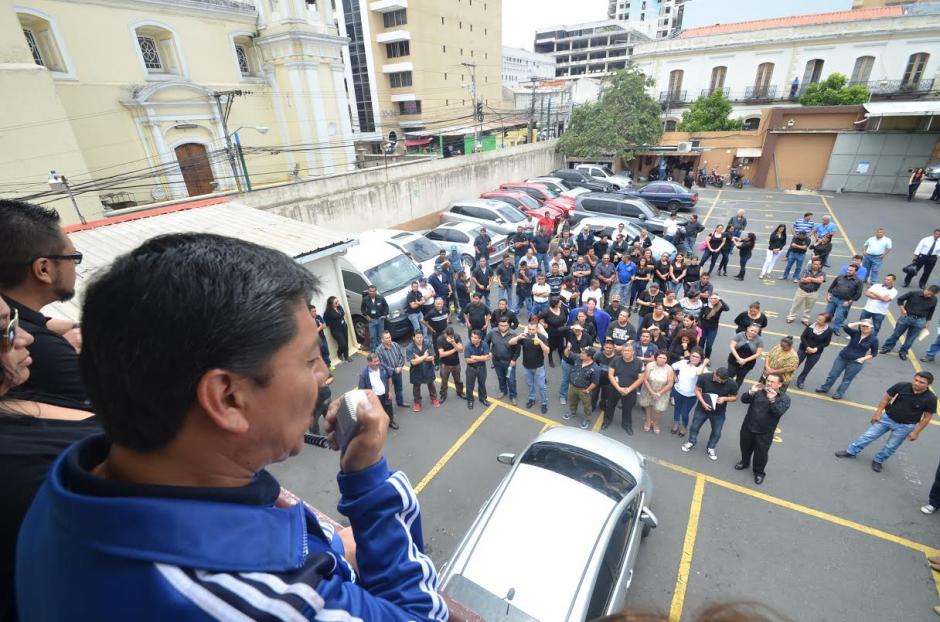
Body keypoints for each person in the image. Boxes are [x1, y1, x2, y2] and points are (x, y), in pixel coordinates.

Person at [15, 233, 448, 621]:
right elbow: (420, 615)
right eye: (309, 359)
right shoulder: (264, 600)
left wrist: (332, 549)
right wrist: (369, 483)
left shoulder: (70, 488)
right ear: (226, 398)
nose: (322, 376)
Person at [0, 295, 98, 621]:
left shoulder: (14, 396)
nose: (26, 337)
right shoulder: (24, 474)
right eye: (6, 330)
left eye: (17, 320)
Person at [0, 200, 88, 410]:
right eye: (73, 258)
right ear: (44, 269)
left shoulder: (21, 319)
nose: (23, 337)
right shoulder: (43, 349)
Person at [835, 372, 936, 472]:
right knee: (868, 436)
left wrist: (916, 432)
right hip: (887, 418)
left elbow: (927, 417)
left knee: (891, 445)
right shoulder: (902, 386)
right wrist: (878, 413)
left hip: (905, 426)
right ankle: (851, 452)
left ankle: (878, 460)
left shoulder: (931, 398)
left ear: (928, 385)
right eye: (915, 380)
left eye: (921, 382)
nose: (917, 383)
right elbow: (886, 398)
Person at [735, 373, 791, 485]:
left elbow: (778, 413)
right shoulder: (759, 391)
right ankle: (745, 462)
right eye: (768, 380)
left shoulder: (784, 398)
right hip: (748, 426)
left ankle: (759, 472)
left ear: (779, 384)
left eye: (772, 382)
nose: (768, 383)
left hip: (765, 432)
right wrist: (751, 392)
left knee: (761, 454)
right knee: (745, 447)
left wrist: (772, 400)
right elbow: (744, 400)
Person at [682, 367, 739, 460]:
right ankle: (691, 442)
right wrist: (703, 403)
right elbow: (697, 390)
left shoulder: (732, 383)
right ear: (715, 374)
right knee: (694, 427)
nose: (720, 382)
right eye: (719, 380)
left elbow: (735, 397)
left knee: (717, 432)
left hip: (719, 412)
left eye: (723, 381)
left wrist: (725, 398)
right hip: (702, 408)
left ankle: (711, 447)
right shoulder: (704, 377)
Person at [816, 319, 879, 400]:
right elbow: (846, 327)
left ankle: (839, 393)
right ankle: (825, 388)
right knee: (832, 375)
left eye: (867, 326)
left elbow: (874, 353)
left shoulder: (873, 339)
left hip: (855, 363)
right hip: (842, 357)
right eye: (863, 326)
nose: (864, 327)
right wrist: (859, 322)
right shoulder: (855, 333)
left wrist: (863, 358)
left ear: (871, 327)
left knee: (847, 380)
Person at [880, 285, 939, 360]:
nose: (929, 295)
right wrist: (902, 309)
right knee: (896, 334)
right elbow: (900, 299)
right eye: (929, 293)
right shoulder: (913, 293)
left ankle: (903, 352)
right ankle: (887, 347)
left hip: (920, 320)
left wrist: (927, 322)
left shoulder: (934, 299)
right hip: (906, 317)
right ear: (926, 289)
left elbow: (931, 311)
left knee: (911, 338)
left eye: (932, 295)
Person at [606, 341, 645, 435]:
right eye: (624, 350)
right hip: (615, 388)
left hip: (630, 391)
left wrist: (629, 389)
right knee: (610, 406)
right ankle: (607, 421)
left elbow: (641, 378)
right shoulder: (615, 360)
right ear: (621, 352)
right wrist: (618, 388)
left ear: (633, 352)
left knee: (627, 408)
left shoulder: (639, 362)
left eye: (629, 350)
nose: (626, 352)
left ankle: (626, 425)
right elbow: (610, 375)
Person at [512, 319, 550, 414]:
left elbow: (547, 351)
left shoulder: (542, 337)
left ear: (537, 329)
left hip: (538, 367)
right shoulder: (524, 337)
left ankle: (544, 403)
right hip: (527, 366)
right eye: (529, 329)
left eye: (533, 329)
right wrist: (518, 337)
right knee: (530, 384)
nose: (531, 331)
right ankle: (531, 399)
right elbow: (511, 343)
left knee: (542, 386)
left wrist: (540, 342)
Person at [672, 348, 708, 437]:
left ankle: (684, 426)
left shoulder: (703, 368)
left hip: (691, 395)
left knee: (684, 413)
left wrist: (704, 363)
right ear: (690, 355)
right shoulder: (683, 362)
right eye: (693, 356)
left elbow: (699, 373)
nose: (694, 358)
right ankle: (676, 423)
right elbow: (671, 367)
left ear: (701, 359)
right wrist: (674, 377)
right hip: (678, 391)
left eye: (697, 357)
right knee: (677, 408)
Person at [358, 353, 398, 429]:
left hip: (386, 394)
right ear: (369, 363)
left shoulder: (382, 366)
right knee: (377, 412)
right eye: (375, 361)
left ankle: (391, 422)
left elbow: (389, 377)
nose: (377, 363)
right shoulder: (364, 374)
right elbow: (362, 390)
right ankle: (380, 425)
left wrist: (390, 391)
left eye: (378, 360)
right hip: (375, 397)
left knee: (389, 409)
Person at [638, 351, 674, 434]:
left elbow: (670, 384)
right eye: (660, 357)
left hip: (662, 391)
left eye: (664, 358)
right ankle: (647, 421)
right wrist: (651, 392)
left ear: (667, 360)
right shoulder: (650, 365)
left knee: (658, 409)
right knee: (648, 406)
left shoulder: (669, 369)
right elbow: (645, 379)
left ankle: (655, 423)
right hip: (648, 389)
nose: (661, 359)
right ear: (656, 357)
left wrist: (658, 393)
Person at [565, 346, 600, 430]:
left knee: (587, 406)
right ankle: (572, 412)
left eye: (583, 353)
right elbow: (567, 354)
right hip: (572, 386)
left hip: (584, 390)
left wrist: (588, 390)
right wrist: (568, 348)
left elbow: (595, 382)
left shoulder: (595, 368)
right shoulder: (578, 358)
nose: (581, 354)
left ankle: (587, 419)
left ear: (589, 356)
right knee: (572, 400)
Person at [795, 313, 833, 390]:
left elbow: (826, 343)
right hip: (803, 348)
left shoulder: (829, 330)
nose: (817, 320)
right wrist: (807, 347)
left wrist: (816, 349)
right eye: (817, 318)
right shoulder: (810, 326)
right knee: (795, 363)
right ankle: (787, 377)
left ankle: (800, 381)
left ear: (826, 322)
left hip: (816, 353)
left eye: (820, 320)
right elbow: (803, 337)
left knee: (807, 368)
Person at [487, 317, 519, 404]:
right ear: (498, 325)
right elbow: (486, 342)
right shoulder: (492, 332)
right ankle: (503, 391)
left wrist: (514, 360)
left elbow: (518, 349)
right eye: (501, 325)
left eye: (505, 325)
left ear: (509, 325)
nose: (503, 327)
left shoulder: (514, 335)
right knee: (500, 377)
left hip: (509, 363)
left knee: (511, 380)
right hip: (496, 361)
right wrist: (488, 351)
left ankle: (513, 395)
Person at [826, 264, 863, 335]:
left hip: (844, 301)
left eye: (851, 270)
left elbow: (858, 294)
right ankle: (824, 326)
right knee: (828, 313)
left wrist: (849, 302)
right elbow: (832, 287)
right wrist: (828, 295)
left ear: (855, 272)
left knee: (840, 316)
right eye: (848, 269)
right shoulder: (840, 277)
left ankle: (836, 329)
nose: (848, 271)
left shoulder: (858, 281)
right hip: (833, 298)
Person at [559, 324, 593, 404]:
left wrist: (584, 352)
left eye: (578, 329)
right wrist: (571, 327)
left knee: (579, 380)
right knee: (566, 379)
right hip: (567, 361)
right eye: (575, 329)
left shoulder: (587, 337)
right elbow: (558, 330)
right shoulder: (569, 333)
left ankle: (576, 396)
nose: (576, 331)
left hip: (580, 363)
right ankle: (563, 396)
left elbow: (591, 349)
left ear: (582, 329)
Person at [786, 258, 826, 325]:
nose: (816, 265)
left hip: (813, 292)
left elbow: (820, 281)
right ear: (812, 264)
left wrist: (810, 278)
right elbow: (802, 280)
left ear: (820, 265)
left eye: (818, 264)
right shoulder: (806, 270)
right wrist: (815, 280)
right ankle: (791, 317)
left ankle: (805, 319)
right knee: (796, 305)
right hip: (802, 291)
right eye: (815, 264)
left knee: (809, 307)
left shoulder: (822, 273)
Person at [407, 331, 439, 411]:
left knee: (431, 384)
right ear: (413, 338)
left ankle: (434, 398)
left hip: (428, 369)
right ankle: (417, 403)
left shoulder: (427, 343)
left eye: (421, 337)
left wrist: (419, 358)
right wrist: (425, 356)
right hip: (416, 371)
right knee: (416, 387)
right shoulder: (409, 348)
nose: (419, 339)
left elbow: (432, 357)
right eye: (417, 337)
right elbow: (413, 362)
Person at [377, 330, 409, 409]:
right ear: (382, 340)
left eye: (390, 337)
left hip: (398, 372)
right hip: (387, 376)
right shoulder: (379, 351)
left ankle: (400, 402)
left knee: (399, 388)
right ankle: (389, 409)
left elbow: (401, 357)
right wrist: (394, 370)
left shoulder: (395, 345)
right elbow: (382, 365)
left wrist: (400, 367)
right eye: (387, 338)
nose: (389, 339)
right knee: (388, 391)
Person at [436, 327, 465, 404]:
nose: (449, 337)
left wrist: (453, 342)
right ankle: (443, 395)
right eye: (447, 336)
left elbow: (461, 350)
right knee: (444, 381)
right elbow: (442, 354)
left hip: (456, 363)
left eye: (451, 336)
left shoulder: (457, 337)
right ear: (445, 333)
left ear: (453, 334)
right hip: (444, 364)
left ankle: (460, 392)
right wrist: (455, 349)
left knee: (458, 380)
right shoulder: (440, 339)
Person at [464, 330, 491, 409]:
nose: (472, 339)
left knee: (482, 384)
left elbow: (487, 358)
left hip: (482, 368)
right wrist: (482, 358)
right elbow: (467, 360)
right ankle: (470, 400)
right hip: (471, 369)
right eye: (472, 337)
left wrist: (475, 357)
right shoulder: (468, 346)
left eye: (475, 338)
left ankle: (482, 398)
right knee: (469, 385)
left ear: (480, 339)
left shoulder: (484, 344)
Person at [540, 296, 568, 367]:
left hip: (561, 332)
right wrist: (543, 324)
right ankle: (550, 359)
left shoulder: (563, 309)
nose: (561, 303)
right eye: (559, 302)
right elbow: (537, 318)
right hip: (551, 334)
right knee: (551, 347)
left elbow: (566, 317)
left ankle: (561, 358)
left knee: (561, 347)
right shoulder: (547, 312)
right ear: (555, 304)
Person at [423, 297, 450, 367]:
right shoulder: (431, 313)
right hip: (436, 333)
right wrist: (431, 329)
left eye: (441, 304)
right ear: (434, 304)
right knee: (436, 348)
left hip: (444, 332)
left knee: (445, 346)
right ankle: (437, 363)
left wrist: (447, 320)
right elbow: (423, 321)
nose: (439, 305)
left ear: (443, 304)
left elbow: (449, 313)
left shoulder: (445, 310)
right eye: (438, 304)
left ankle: (444, 361)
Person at [323, 295, 352, 362]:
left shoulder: (339, 307)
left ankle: (346, 356)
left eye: (337, 301)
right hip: (336, 330)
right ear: (331, 304)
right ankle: (339, 353)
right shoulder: (328, 312)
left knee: (346, 342)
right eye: (336, 303)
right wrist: (331, 324)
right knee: (342, 343)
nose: (338, 303)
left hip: (344, 327)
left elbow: (343, 313)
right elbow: (325, 320)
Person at [361, 284, 389, 350]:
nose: (372, 293)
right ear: (368, 291)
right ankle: (374, 350)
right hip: (371, 320)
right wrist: (367, 316)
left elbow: (386, 307)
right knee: (373, 336)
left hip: (380, 320)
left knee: (380, 336)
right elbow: (362, 309)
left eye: (373, 291)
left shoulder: (381, 298)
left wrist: (384, 315)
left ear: (375, 291)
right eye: (370, 291)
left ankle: (381, 349)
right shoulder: (365, 299)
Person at [310, 304, 332, 370]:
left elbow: (325, 325)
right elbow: (312, 332)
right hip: (314, 340)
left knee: (325, 351)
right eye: (313, 311)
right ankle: (322, 368)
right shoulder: (308, 321)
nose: (315, 312)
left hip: (322, 337)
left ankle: (328, 365)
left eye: (315, 311)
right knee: (318, 354)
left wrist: (319, 327)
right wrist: (320, 327)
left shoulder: (318, 317)